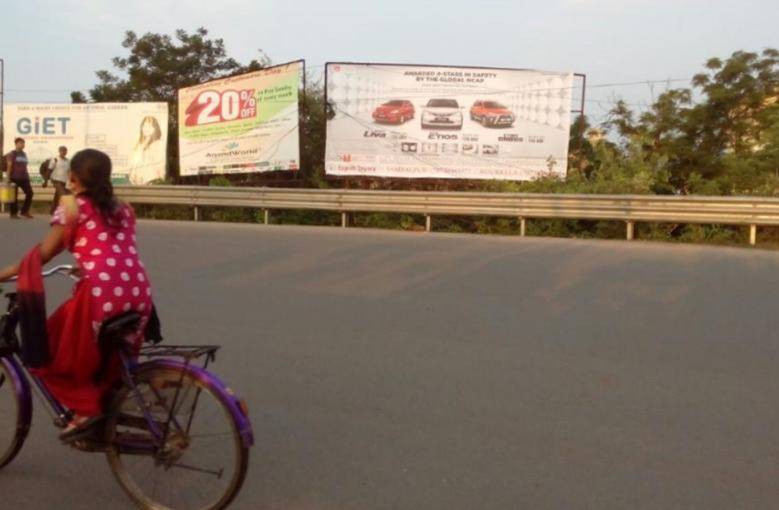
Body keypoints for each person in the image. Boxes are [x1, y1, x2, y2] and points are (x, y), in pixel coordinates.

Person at [0, 149, 153, 440]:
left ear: (72, 178)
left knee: (49, 350)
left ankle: (86, 410)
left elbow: (42, 255)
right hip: (138, 291)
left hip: (102, 295)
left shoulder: (72, 207)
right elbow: (110, 250)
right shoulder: (123, 207)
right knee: (102, 355)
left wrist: (3, 273)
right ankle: (106, 405)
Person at [4, 137, 34, 219]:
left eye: (23, 143)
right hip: (14, 178)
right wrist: (7, 178)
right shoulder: (11, 154)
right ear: (16, 144)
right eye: (20, 143)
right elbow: (9, 166)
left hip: (24, 178)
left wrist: (27, 176)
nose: (22, 145)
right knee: (14, 196)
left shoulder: (24, 154)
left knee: (30, 193)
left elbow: (25, 166)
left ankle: (24, 211)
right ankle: (13, 214)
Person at [127, 116, 163, 185]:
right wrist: (132, 174)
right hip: (136, 182)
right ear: (142, 127)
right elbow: (134, 163)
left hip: (151, 182)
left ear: (155, 129)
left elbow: (158, 167)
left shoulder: (158, 144)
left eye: (150, 126)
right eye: (145, 125)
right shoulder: (138, 145)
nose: (147, 128)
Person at [48, 146, 71, 214]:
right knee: (63, 194)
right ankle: (64, 212)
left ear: (66, 152)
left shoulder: (68, 161)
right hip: (56, 180)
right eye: (62, 150)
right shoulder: (55, 159)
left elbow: (69, 171)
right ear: (59, 151)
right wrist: (46, 181)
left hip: (64, 181)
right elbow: (49, 170)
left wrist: (70, 181)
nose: (63, 152)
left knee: (57, 196)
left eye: (65, 151)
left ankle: (52, 210)